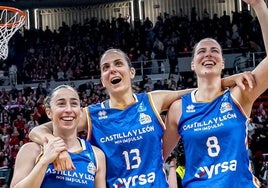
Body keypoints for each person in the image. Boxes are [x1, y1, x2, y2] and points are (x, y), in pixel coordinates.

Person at [29, 49, 255, 187]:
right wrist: (51, 144)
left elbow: (196, 92)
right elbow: (38, 130)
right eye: (106, 67)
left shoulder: (153, 101)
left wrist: (227, 80)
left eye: (118, 64)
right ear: (102, 79)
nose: (113, 70)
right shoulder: (91, 114)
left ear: (131, 72)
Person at [163, 0, 268, 187]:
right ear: (193, 64)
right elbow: (155, 156)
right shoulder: (178, 109)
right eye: (201, 51)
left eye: (215, 51)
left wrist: (259, 6)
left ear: (222, 63)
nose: (208, 54)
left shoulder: (239, 95)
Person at [10, 85, 106, 188]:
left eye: (74, 104)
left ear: (80, 111)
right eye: (61, 104)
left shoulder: (96, 155)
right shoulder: (31, 150)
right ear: (49, 112)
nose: (68, 109)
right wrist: (44, 162)